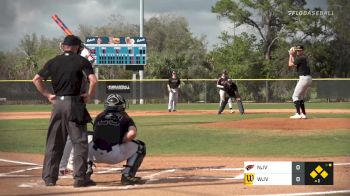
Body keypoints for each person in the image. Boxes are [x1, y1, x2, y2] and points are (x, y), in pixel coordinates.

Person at [32, 35, 98, 187]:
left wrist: (48, 95)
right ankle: (79, 179)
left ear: (63, 46)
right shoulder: (82, 61)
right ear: (76, 47)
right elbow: (93, 80)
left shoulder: (53, 61)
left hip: (57, 104)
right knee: (79, 142)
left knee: (54, 142)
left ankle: (49, 178)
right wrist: (89, 95)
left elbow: (36, 79)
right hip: (74, 104)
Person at [61, 94, 147, 185]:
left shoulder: (100, 116)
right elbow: (132, 134)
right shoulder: (125, 117)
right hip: (113, 155)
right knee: (141, 146)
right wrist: (120, 141)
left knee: (87, 137)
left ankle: (86, 171)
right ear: (121, 106)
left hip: (93, 154)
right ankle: (127, 175)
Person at [288, 45, 312, 119]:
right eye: (297, 50)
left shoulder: (300, 57)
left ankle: (298, 114)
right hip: (308, 78)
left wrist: (290, 55)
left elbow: (290, 64)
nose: (298, 51)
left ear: (302, 50)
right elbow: (294, 64)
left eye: (299, 50)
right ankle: (303, 114)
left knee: (294, 96)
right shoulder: (303, 58)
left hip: (303, 78)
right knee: (300, 97)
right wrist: (292, 55)